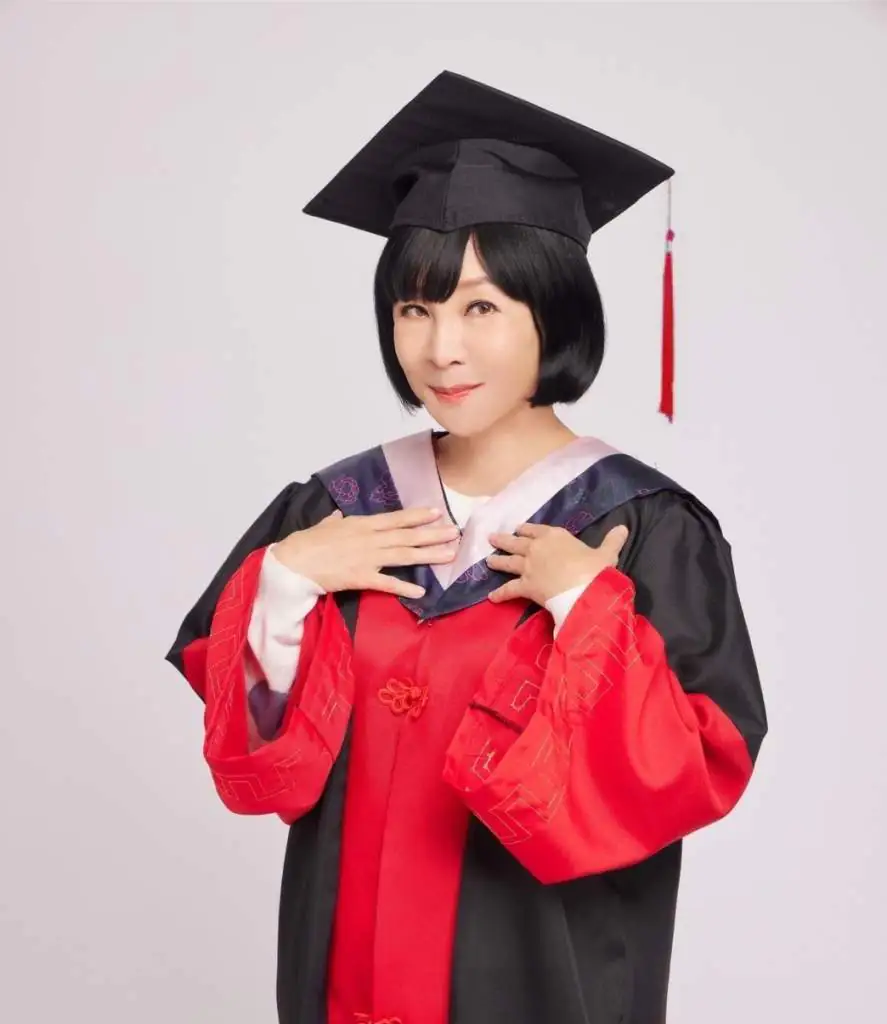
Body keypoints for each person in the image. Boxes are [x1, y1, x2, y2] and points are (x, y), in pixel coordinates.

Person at [165, 70, 768, 1024]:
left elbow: (697, 764)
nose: (440, 349)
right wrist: (283, 583)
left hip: (537, 973)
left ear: (553, 310)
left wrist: (585, 609)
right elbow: (267, 755)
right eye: (415, 308)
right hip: (344, 969)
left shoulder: (642, 527)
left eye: (481, 308)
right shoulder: (334, 511)